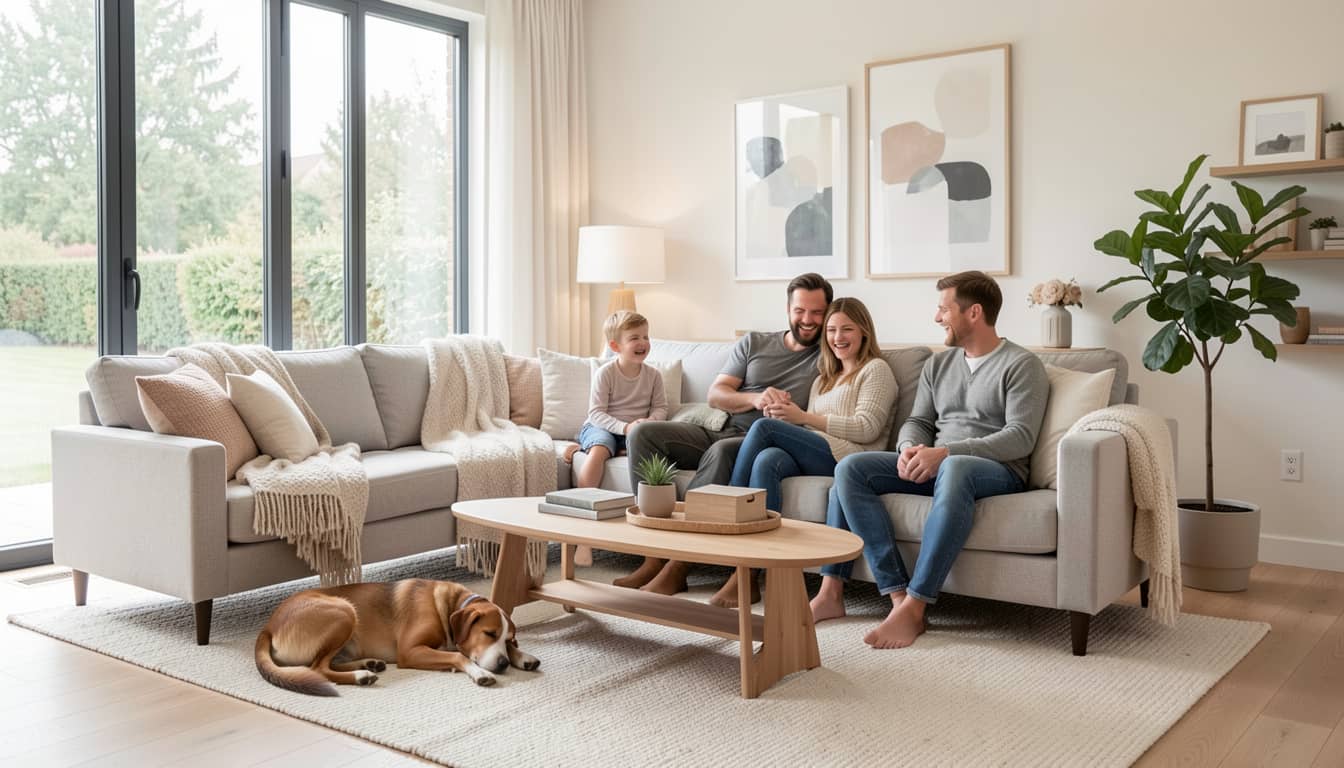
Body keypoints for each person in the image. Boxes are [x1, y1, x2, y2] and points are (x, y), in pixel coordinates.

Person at [808, 271, 1048, 650]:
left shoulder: (1021, 364)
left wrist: (946, 453)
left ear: (973, 313)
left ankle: (917, 605)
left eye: (943, 309)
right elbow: (918, 421)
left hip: (995, 470)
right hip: (936, 462)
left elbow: (1020, 437)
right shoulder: (938, 365)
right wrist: (908, 448)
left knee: (954, 467)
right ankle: (894, 593)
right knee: (851, 469)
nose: (937, 318)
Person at [617, 272, 833, 606]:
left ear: (828, 311)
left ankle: (680, 563)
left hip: (762, 440)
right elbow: (717, 394)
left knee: (720, 452)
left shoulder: (829, 353)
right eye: (800, 311)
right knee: (644, 434)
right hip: (719, 425)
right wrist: (756, 398)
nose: (807, 320)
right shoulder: (755, 343)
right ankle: (654, 555)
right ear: (788, 309)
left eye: (817, 312)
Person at [728, 297, 897, 515]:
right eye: (831, 330)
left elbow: (867, 428)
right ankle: (761, 538)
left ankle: (728, 504)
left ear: (863, 331)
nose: (838, 337)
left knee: (764, 427)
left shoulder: (875, 369)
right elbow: (809, 429)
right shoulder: (823, 379)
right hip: (819, 452)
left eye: (847, 329)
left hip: (852, 457)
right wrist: (784, 415)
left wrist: (803, 417)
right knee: (766, 459)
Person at [564, 310, 668, 565]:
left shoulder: (653, 376)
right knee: (600, 449)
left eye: (645, 336)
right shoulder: (606, 373)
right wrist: (624, 428)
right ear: (615, 346)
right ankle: (584, 537)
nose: (643, 342)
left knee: (642, 449)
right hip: (603, 426)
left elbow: (661, 409)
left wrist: (647, 423)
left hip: (634, 430)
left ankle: (579, 450)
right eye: (634, 338)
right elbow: (596, 413)